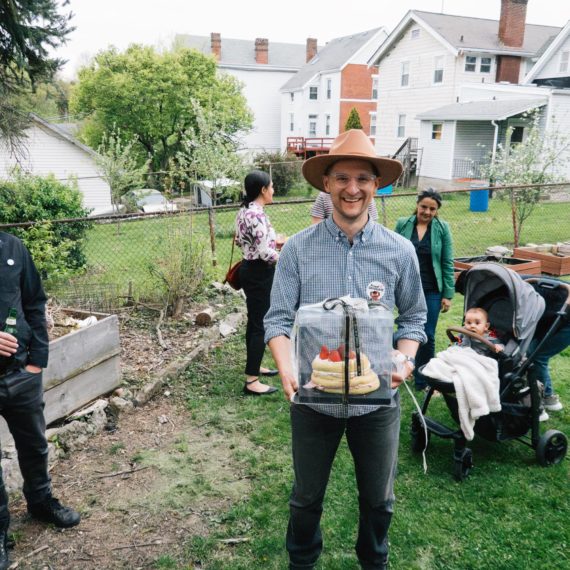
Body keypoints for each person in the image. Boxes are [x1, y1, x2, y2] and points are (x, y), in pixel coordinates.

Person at [264, 129, 427, 570]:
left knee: (379, 500)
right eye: (341, 178)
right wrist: (285, 370)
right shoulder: (297, 250)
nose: (351, 189)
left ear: (376, 185)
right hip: (314, 399)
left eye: (362, 179)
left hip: (377, 403)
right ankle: (302, 561)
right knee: (305, 498)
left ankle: (373, 562)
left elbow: (413, 318)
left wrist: (405, 359)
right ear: (326, 184)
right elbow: (277, 319)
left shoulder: (400, 251)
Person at [0, 231, 80, 570]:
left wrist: (38, 362)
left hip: (21, 374)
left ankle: (41, 501)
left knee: (34, 444)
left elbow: (34, 300)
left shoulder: (13, 246)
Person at [395, 188, 455, 391]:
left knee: (427, 333)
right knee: (406, 330)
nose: (427, 212)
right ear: (417, 205)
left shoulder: (442, 228)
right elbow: (393, 254)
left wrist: (447, 294)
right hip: (406, 288)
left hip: (431, 290)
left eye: (432, 209)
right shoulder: (403, 224)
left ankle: (426, 378)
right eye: (424, 207)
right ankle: (404, 368)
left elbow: (447, 262)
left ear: (437, 210)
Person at [235, 170, 281, 396]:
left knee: (254, 322)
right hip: (260, 273)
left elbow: (239, 241)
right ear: (263, 190)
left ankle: (255, 366)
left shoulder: (245, 211)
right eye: (271, 186)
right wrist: (286, 258)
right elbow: (265, 254)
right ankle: (252, 381)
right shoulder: (257, 215)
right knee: (260, 324)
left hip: (249, 270)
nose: (273, 190)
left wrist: (275, 242)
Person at [310, 190, 378, 224]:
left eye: (362, 179)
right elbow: (316, 224)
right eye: (342, 179)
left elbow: (373, 222)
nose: (352, 191)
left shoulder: (367, 198)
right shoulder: (323, 196)